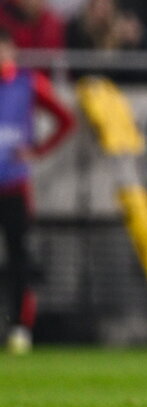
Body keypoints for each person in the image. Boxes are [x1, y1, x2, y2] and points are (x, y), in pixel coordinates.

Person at [0, 31, 75, 353]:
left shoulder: (28, 83)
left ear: (12, 51)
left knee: (20, 258)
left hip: (15, 185)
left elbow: (66, 119)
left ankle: (20, 328)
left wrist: (39, 150)